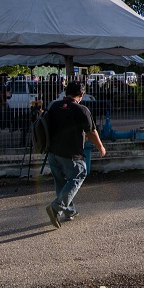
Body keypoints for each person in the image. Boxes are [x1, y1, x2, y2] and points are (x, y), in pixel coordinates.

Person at [43, 80, 106, 228]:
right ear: (82, 94)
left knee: (61, 182)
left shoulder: (53, 106)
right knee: (79, 174)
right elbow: (91, 132)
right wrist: (101, 147)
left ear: (66, 92)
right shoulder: (81, 110)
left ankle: (69, 211)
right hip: (71, 153)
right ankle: (56, 207)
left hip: (52, 152)